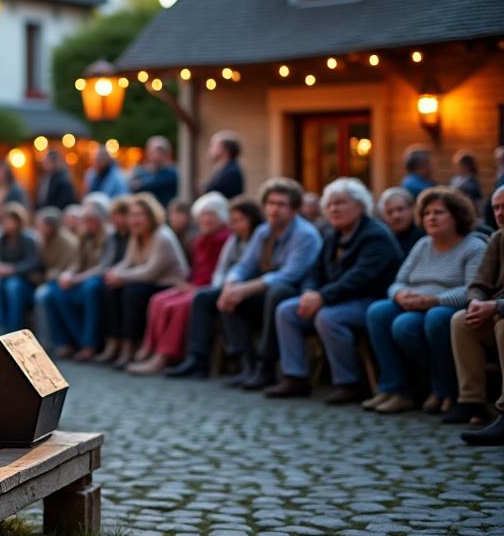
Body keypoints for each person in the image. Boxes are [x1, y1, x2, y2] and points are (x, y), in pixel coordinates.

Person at [168, 178, 321, 386]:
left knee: (277, 292)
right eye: (271, 203)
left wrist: (244, 289)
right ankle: (216, 361)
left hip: (296, 294)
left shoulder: (305, 235)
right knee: (206, 297)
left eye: (281, 204)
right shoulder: (263, 232)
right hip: (263, 290)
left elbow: (290, 275)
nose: (274, 209)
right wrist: (231, 285)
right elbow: (244, 266)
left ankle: (265, 366)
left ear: (294, 209)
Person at [266, 177, 401, 403]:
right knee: (287, 310)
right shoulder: (332, 235)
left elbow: (359, 279)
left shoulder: (375, 235)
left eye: (341, 203)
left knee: (328, 317)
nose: (334, 209)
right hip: (336, 298)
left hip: (370, 300)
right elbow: (314, 272)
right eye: (329, 204)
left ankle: (349, 383)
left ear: (360, 206)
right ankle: (295, 377)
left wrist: (322, 297)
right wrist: (309, 292)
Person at [363, 187, 484, 415]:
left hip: (446, 308)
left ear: (457, 215)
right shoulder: (423, 245)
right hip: (416, 304)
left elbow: (473, 290)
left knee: (421, 321)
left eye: (438, 212)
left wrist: (434, 300)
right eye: (427, 213)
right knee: (378, 311)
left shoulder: (473, 246)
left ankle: (445, 390)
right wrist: (400, 295)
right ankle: (395, 389)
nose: (431, 217)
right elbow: (398, 281)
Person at [127, 193, 237, 375]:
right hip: (194, 284)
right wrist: (187, 283)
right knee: (158, 300)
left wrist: (195, 286)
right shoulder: (201, 240)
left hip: (208, 288)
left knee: (179, 306)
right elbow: (197, 269)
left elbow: (219, 273)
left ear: (221, 217)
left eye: (211, 214)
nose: (206, 219)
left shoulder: (225, 239)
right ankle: (151, 348)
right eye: (203, 215)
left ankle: (163, 357)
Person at [97, 193, 189, 368]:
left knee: (132, 292)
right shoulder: (136, 236)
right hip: (149, 283)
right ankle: (115, 341)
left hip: (169, 285)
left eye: (140, 215)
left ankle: (130, 346)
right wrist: (113, 273)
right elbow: (128, 262)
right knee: (110, 288)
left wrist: (121, 276)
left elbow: (150, 272)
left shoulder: (162, 236)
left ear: (151, 215)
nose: (135, 220)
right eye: (132, 215)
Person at [446, 186, 504, 438]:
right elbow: (479, 284)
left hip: (501, 313)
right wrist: (476, 302)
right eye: (496, 207)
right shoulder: (498, 239)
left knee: (503, 323)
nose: (500, 213)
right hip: (494, 310)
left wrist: (497, 306)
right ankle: (472, 401)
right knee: (462, 320)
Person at [47, 196, 116, 361]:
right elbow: (76, 263)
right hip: (82, 278)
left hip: (97, 279)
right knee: (56, 291)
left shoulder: (109, 235)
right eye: (85, 220)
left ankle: (90, 344)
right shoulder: (83, 236)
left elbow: (104, 266)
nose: (86, 224)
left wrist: (77, 278)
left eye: (90, 220)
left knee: (90, 288)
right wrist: (68, 274)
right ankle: (74, 341)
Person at [0, 203, 42, 333]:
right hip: (4, 279)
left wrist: (11, 269)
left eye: (10, 221)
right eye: (5, 221)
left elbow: (31, 263)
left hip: (25, 281)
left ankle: (14, 327)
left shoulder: (28, 239)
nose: (7, 224)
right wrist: (0, 269)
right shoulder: (1, 240)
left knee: (13, 285)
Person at [32, 207, 80, 353]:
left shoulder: (67, 242)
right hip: (47, 278)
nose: (39, 228)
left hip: (63, 280)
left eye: (42, 225)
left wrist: (51, 274)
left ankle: (53, 341)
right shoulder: (41, 240)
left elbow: (69, 266)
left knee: (43, 296)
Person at [128, 135, 179, 208]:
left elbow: (155, 184)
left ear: (167, 154)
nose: (157, 155)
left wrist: (141, 184)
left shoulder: (172, 173)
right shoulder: (139, 171)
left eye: (161, 152)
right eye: (154, 151)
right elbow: (131, 187)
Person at [377, 186, 425, 259]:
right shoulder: (381, 240)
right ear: (383, 216)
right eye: (389, 212)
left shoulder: (425, 235)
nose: (396, 216)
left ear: (412, 208)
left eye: (400, 209)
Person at [199, 131, 244, 199]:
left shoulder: (232, 171)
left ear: (224, 149)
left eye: (213, 145)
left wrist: (206, 189)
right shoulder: (223, 169)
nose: (210, 149)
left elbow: (220, 194)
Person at [451, 149, 485, 218]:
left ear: (466, 167)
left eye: (458, 165)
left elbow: (478, 203)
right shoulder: (456, 180)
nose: (456, 168)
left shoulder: (472, 184)